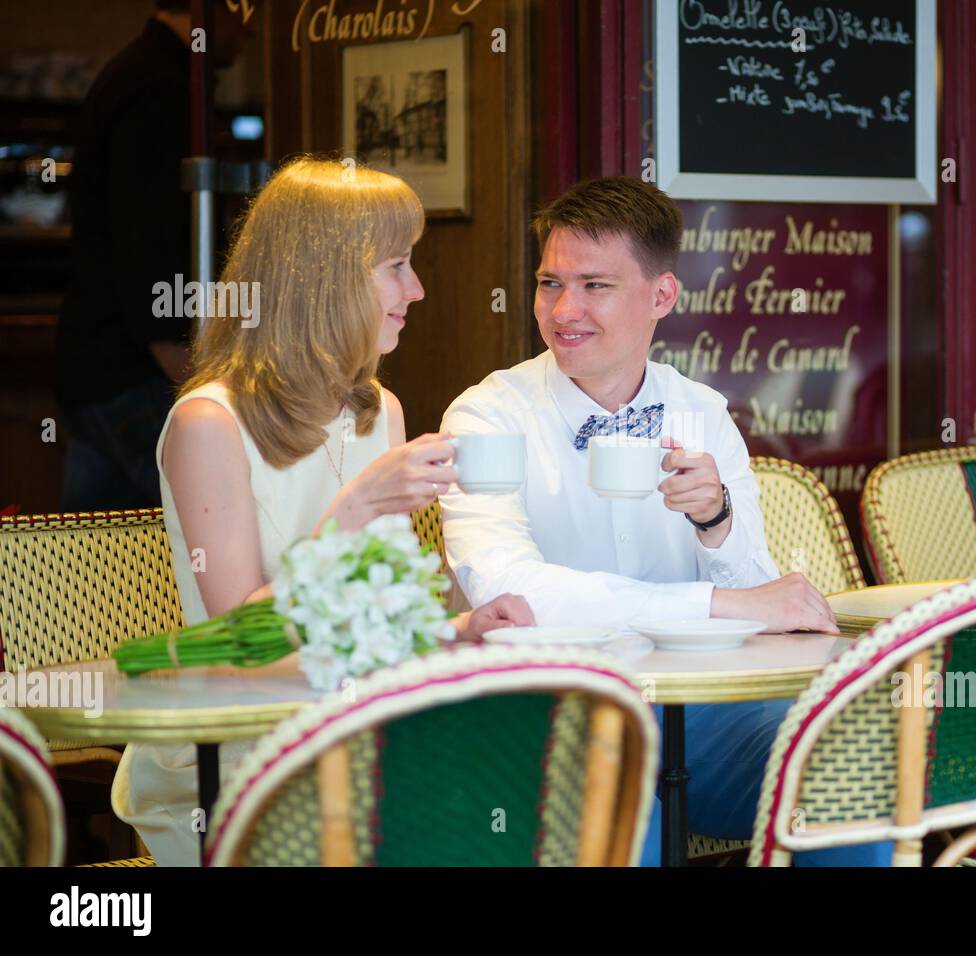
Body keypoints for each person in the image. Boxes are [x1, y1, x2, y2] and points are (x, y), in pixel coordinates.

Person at [439, 176, 889, 865]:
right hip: (552, 711)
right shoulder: (487, 416)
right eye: (549, 282)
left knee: (845, 781)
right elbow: (510, 595)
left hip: (702, 713)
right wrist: (715, 603)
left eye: (594, 286)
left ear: (662, 295)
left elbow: (761, 599)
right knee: (621, 818)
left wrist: (716, 521)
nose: (563, 310)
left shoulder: (701, 412)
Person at [111, 157, 534, 866]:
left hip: (356, 721)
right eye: (397, 266)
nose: (417, 289)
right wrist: (356, 507)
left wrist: (459, 628)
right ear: (325, 275)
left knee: (539, 783)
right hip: (242, 743)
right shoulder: (209, 423)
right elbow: (243, 642)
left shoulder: (378, 410)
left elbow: (377, 617)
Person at [56, 1, 248, 511]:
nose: (248, 29)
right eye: (243, 12)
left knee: (85, 563)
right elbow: (148, 246)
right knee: (205, 523)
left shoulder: (140, 72)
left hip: (100, 366)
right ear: (210, 12)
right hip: (138, 373)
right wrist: (196, 381)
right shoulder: (158, 87)